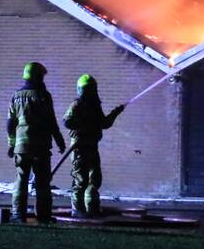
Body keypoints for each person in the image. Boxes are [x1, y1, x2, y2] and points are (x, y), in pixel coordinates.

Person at [7, 61, 65, 223]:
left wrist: (11, 144)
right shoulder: (44, 96)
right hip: (41, 146)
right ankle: (44, 216)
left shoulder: (16, 96)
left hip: (22, 146)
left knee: (21, 179)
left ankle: (18, 215)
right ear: (38, 77)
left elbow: (10, 124)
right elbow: (51, 122)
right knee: (42, 182)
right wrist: (60, 141)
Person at [63, 74, 125, 217]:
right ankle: (77, 210)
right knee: (81, 179)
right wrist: (83, 126)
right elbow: (67, 122)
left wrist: (115, 113)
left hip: (92, 146)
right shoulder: (76, 105)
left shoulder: (95, 106)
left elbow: (104, 124)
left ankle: (92, 208)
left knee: (95, 178)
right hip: (79, 148)